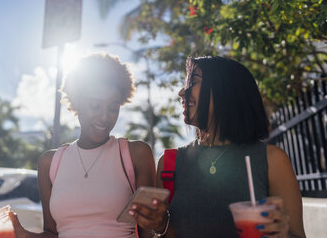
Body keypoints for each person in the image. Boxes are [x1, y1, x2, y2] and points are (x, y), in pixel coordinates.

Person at [129, 56, 306, 238]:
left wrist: (282, 234)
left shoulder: (272, 159)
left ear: (226, 90)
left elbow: (296, 234)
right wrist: (161, 226)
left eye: (193, 83)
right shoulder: (169, 163)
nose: (182, 92)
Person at [4, 53, 155, 238]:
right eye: (95, 105)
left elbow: (149, 232)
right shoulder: (50, 163)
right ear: (76, 102)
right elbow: (52, 233)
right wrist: (22, 235)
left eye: (113, 108)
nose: (105, 117)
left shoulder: (135, 154)